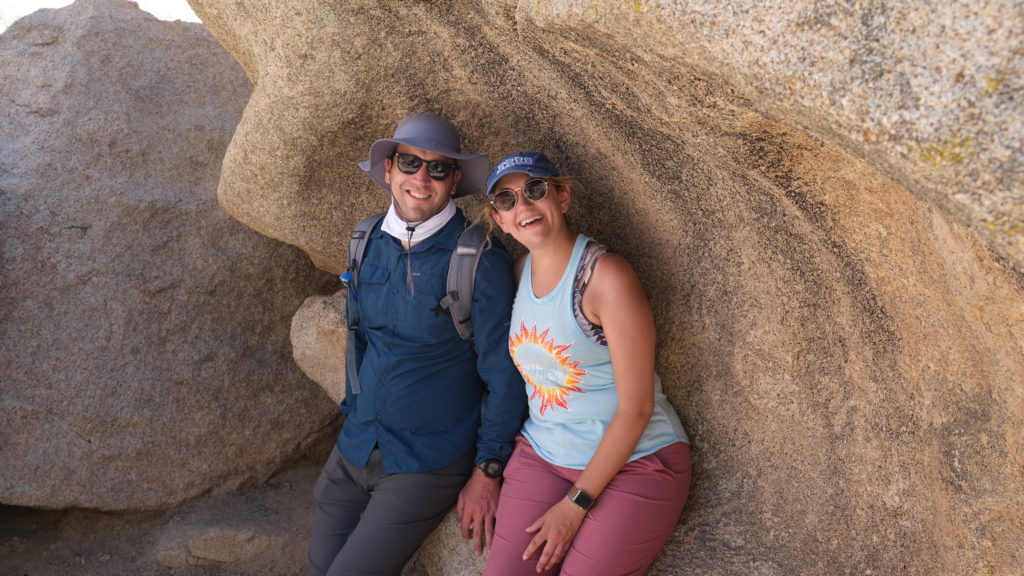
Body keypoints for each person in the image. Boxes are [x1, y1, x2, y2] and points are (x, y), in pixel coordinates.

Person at [306, 113, 526, 576]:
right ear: (388, 170)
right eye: (409, 163)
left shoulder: (478, 260)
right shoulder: (365, 239)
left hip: (427, 460)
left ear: (455, 180)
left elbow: (504, 375)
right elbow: (360, 337)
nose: (421, 179)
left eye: (438, 168)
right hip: (355, 445)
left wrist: (488, 469)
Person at [479, 152, 691, 575]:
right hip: (544, 454)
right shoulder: (520, 272)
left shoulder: (605, 277)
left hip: (637, 461)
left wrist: (574, 505)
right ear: (500, 219)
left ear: (563, 197)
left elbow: (637, 408)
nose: (523, 206)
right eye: (507, 200)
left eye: (535, 190)